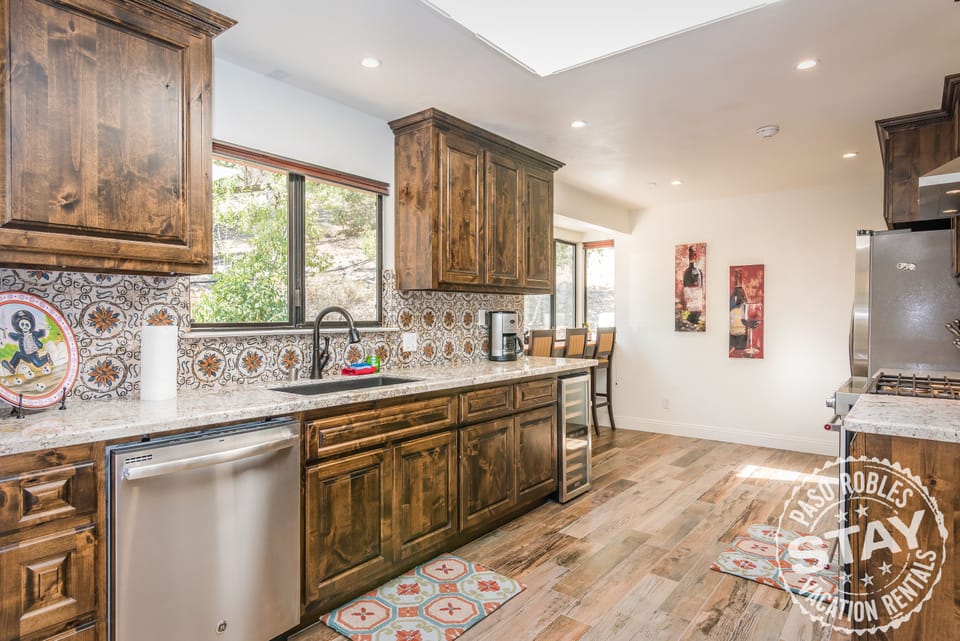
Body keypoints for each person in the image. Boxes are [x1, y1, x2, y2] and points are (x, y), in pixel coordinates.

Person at [2, 309, 52, 374]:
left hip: (33, 354)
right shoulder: (20, 336)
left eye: (27, 324)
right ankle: (11, 366)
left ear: (30, 325)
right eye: (22, 324)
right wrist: (6, 332)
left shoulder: (34, 334)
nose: (25, 326)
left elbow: (41, 334)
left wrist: (42, 327)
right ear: (19, 326)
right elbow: (13, 336)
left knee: (38, 364)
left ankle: (46, 358)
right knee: (18, 354)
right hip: (25, 355)